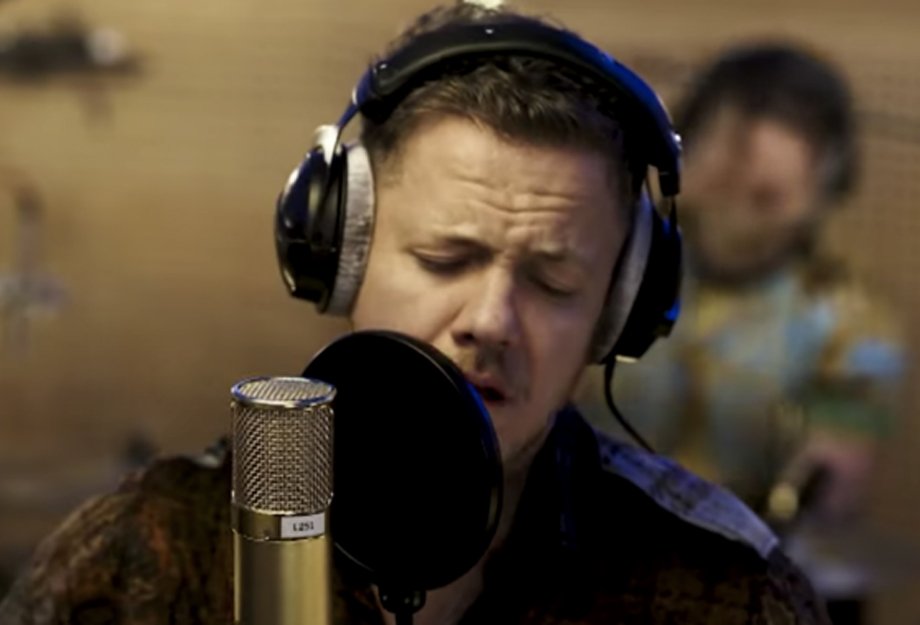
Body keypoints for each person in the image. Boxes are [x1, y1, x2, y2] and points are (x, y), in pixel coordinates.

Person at [0, 4, 830, 624]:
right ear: (340, 256)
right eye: (445, 259)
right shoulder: (148, 554)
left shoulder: (727, 592)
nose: (491, 319)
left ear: (619, 313)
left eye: (552, 282)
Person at [575, 42, 906, 623]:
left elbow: (832, 487)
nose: (740, 210)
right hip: (577, 555)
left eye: (766, 197)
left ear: (821, 190)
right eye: (727, 176)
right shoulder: (601, 264)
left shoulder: (855, 320)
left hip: (745, 578)